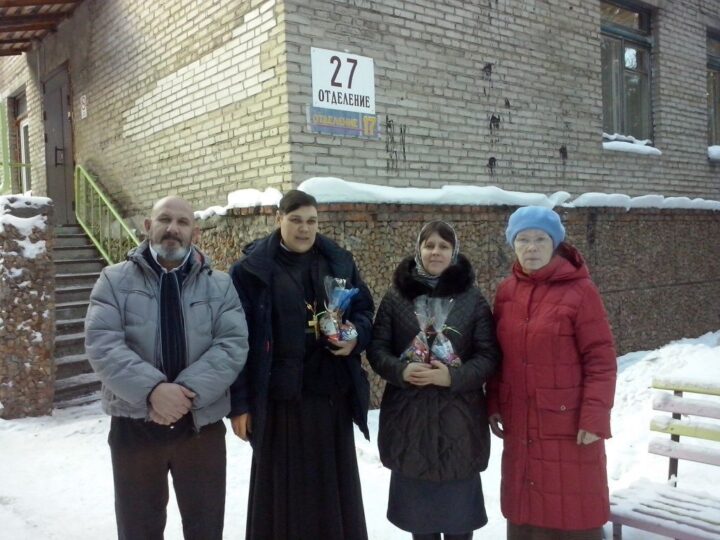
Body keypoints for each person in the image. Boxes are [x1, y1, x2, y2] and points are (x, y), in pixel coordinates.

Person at [85, 196, 249, 540]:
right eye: (164, 219)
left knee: (205, 528)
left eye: (182, 222)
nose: (173, 228)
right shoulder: (113, 280)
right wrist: (153, 391)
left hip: (200, 426)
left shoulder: (220, 285)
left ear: (195, 233)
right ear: (148, 226)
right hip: (135, 425)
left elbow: (232, 345)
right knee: (138, 529)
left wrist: (185, 394)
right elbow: (103, 343)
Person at [228, 189, 374, 540]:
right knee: (284, 492)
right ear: (278, 219)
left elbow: (364, 311)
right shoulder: (250, 271)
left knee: (331, 490)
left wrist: (355, 337)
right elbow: (237, 340)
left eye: (311, 221)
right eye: (295, 220)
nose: (304, 229)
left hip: (330, 399)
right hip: (280, 401)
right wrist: (240, 404)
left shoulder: (339, 263)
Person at [487, 206, 617, 540]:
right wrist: (495, 402)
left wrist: (594, 417)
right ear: (513, 245)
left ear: (555, 244)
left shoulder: (581, 291)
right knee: (525, 506)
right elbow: (499, 357)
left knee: (572, 507)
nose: (531, 247)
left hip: (569, 425)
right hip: (520, 421)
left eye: (540, 239)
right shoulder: (506, 292)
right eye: (523, 239)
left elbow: (600, 360)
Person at [368, 220, 501, 540]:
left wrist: (452, 377)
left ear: (454, 252)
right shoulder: (397, 297)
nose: (436, 252)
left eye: (443, 246)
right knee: (421, 524)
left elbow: (488, 356)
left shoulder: (472, 299)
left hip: (459, 423)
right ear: (419, 250)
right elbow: (377, 349)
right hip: (409, 421)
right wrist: (401, 371)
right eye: (429, 245)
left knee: (459, 523)